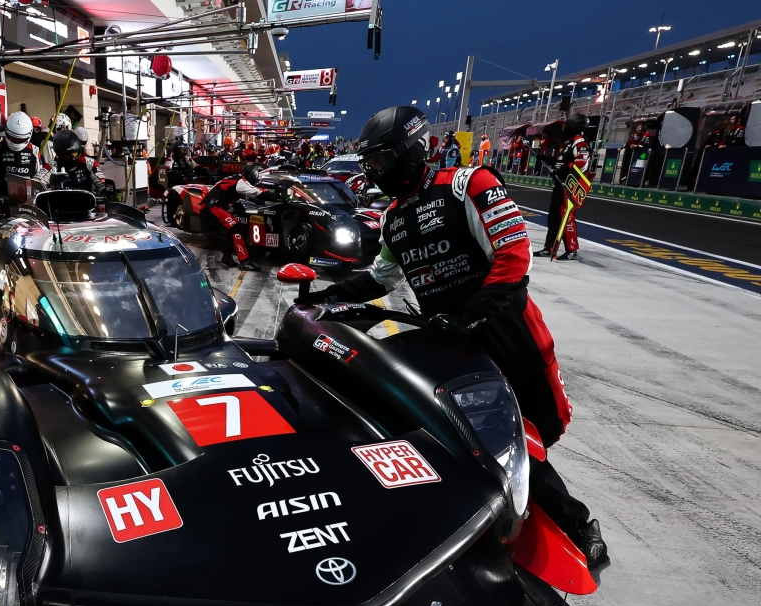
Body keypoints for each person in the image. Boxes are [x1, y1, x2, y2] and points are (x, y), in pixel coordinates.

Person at [297, 105, 609, 569]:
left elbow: (514, 258)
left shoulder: (470, 184)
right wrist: (324, 297)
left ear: (410, 151)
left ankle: (577, 527)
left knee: (533, 435)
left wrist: (469, 319)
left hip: (509, 333)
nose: (376, 173)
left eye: (381, 161)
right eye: (370, 164)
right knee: (470, 440)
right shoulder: (394, 219)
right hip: (452, 345)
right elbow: (380, 279)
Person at [202, 164, 283, 272]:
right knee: (236, 227)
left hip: (213, 206)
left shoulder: (237, 179)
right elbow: (258, 192)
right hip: (211, 207)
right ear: (251, 175)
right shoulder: (240, 182)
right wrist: (280, 197)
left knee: (233, 229)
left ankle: (227, 256)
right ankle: (244, 261)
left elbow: (230, 195)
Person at [536, 114, 590, 261]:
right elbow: (560, 162)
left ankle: (572, 249)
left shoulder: (580, 141)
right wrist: (547, 160)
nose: (564, 129)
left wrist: (564, 168)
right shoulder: (568, 142)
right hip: (560, 184)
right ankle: (549, 247)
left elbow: (582, 162)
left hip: (570, 185)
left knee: (566, 216)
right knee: (553, 217)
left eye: (567, 126)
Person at [0, 111, 50, 197]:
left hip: (28, 198)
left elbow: (40, 177)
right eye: (13, 138)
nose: (16, 141)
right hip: (4, 198)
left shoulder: (35, 150)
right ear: (6, 132)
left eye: (20, 139)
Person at [50, 128, 104, 194]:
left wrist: (105, 191)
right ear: (59, 155)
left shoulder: (90, 163)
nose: (73, 159)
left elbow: (102, 185)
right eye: (68, 156)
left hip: (85, 200)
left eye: (75, 154)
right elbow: (39, 183)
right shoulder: (52, 166)